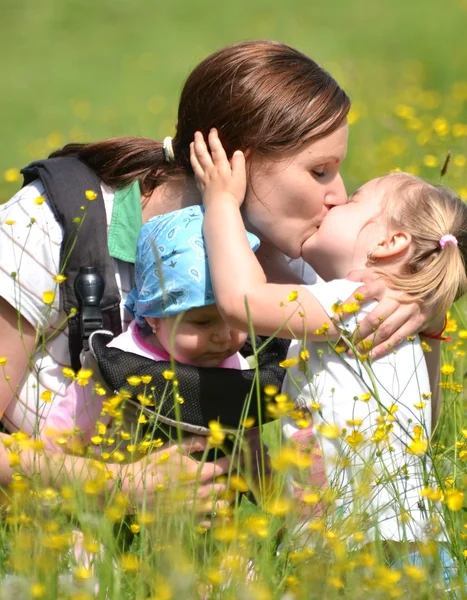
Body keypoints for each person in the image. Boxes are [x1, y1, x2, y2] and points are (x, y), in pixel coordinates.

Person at [0, 41, 438, 495]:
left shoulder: (283, 261)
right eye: (320, 171)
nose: (338, 195)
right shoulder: (54, 224)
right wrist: (122, 487)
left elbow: (405, 429)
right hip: (51, 532)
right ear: (235, 162)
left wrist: (424, 309)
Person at [189, 130, 467, 544]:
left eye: (353, 200)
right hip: (408, 544)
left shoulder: (355, 304)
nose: (336, 199)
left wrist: (222, 203)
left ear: (389, 243)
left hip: (365, 548)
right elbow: (426, 423)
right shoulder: (391, 319)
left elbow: (243, 301)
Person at [42, 205, 260, 452]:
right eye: (202, 322)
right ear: (153, 317)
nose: (224, 336)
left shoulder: (236, 364)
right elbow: (63, 436)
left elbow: (250, 444)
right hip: (130, 485)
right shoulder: (117, 366)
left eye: (236, 319)